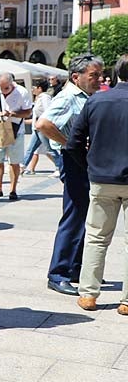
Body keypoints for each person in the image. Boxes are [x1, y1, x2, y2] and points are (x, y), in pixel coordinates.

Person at [37, 55, 106, 296]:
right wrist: (69, 144)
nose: (99, 79)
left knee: (83, 214)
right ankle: (58, 273)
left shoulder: (85, 97)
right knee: (74, 216)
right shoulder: (68, 97)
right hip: (72, 161)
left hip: (79, 161)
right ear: (76, 77)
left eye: (100, 74)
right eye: (94, 75)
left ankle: (76, 267)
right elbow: (42, 124)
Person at [70, 55, 128, 315]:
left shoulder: (96, 100)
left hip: (102, 179)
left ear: (116, 74)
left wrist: (90, 166)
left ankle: (89, 295)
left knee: (96, 238)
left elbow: (73, 142)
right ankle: (126, 301)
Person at [0, 72, 33, 201]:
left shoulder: (22, 92)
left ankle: (13, 190)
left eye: (6, 88)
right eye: (1, 87)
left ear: (12, 84)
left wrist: (12, 113)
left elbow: (28, 112)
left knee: (14, 161)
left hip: (16, 130)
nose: (3, 91)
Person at [24, 79, 60, 176]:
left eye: (34, 88)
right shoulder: (39, 98)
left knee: (49, 149)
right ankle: (22, 166)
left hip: (42, 127)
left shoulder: (45, 97)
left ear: (39, 88)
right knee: (30, 149)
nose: (32, 90)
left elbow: (48, 111)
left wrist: (42, 122)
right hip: (37, 128)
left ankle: (60, 166)